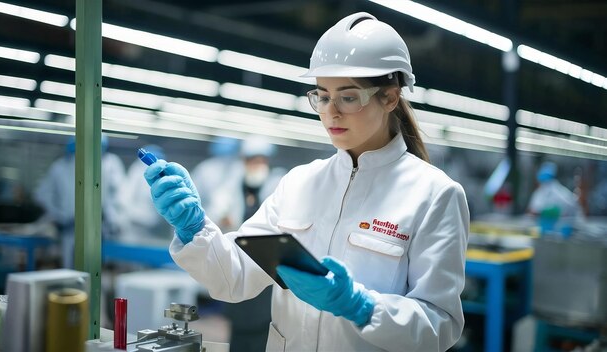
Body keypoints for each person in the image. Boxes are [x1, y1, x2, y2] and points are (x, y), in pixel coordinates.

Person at [144, 12, 469, 352]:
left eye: (348, 97)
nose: (331, 112)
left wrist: (362, 307)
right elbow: (234, 277)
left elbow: (440, 325)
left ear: (389, 97)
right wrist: (193, 228)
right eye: (322, 96)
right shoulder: (300, 183)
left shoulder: (435, 195)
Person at [206, 136, 285, 352]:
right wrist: (221, 219)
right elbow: (215, 212)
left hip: (267, 267)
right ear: (244, 161)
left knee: (264, 324)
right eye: (252, 160)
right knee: (239, 321)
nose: (256, 165)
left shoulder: (278, 185)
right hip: (239, 262)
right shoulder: (231, 186)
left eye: (261, 160)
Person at [34, 135, 125, 268]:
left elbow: (115, 194)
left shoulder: (108, 164)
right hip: (72, 227)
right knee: (75, 266)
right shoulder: (60, 167)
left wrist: (112, 219)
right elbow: (42, 194)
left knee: (93, 267)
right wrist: (60, 215)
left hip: (97, 227)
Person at [118, 144, 173, 244]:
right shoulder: (138, 170)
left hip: (150, 228)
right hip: (133, 225)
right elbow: (124, 197)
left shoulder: (160, 173)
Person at [527, 161, 581, 237]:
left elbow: (572, 208)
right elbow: (532, 211)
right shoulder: (541, 192)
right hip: (547, 230)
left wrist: (551, 212)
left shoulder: (558, 191)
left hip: (559, 231)